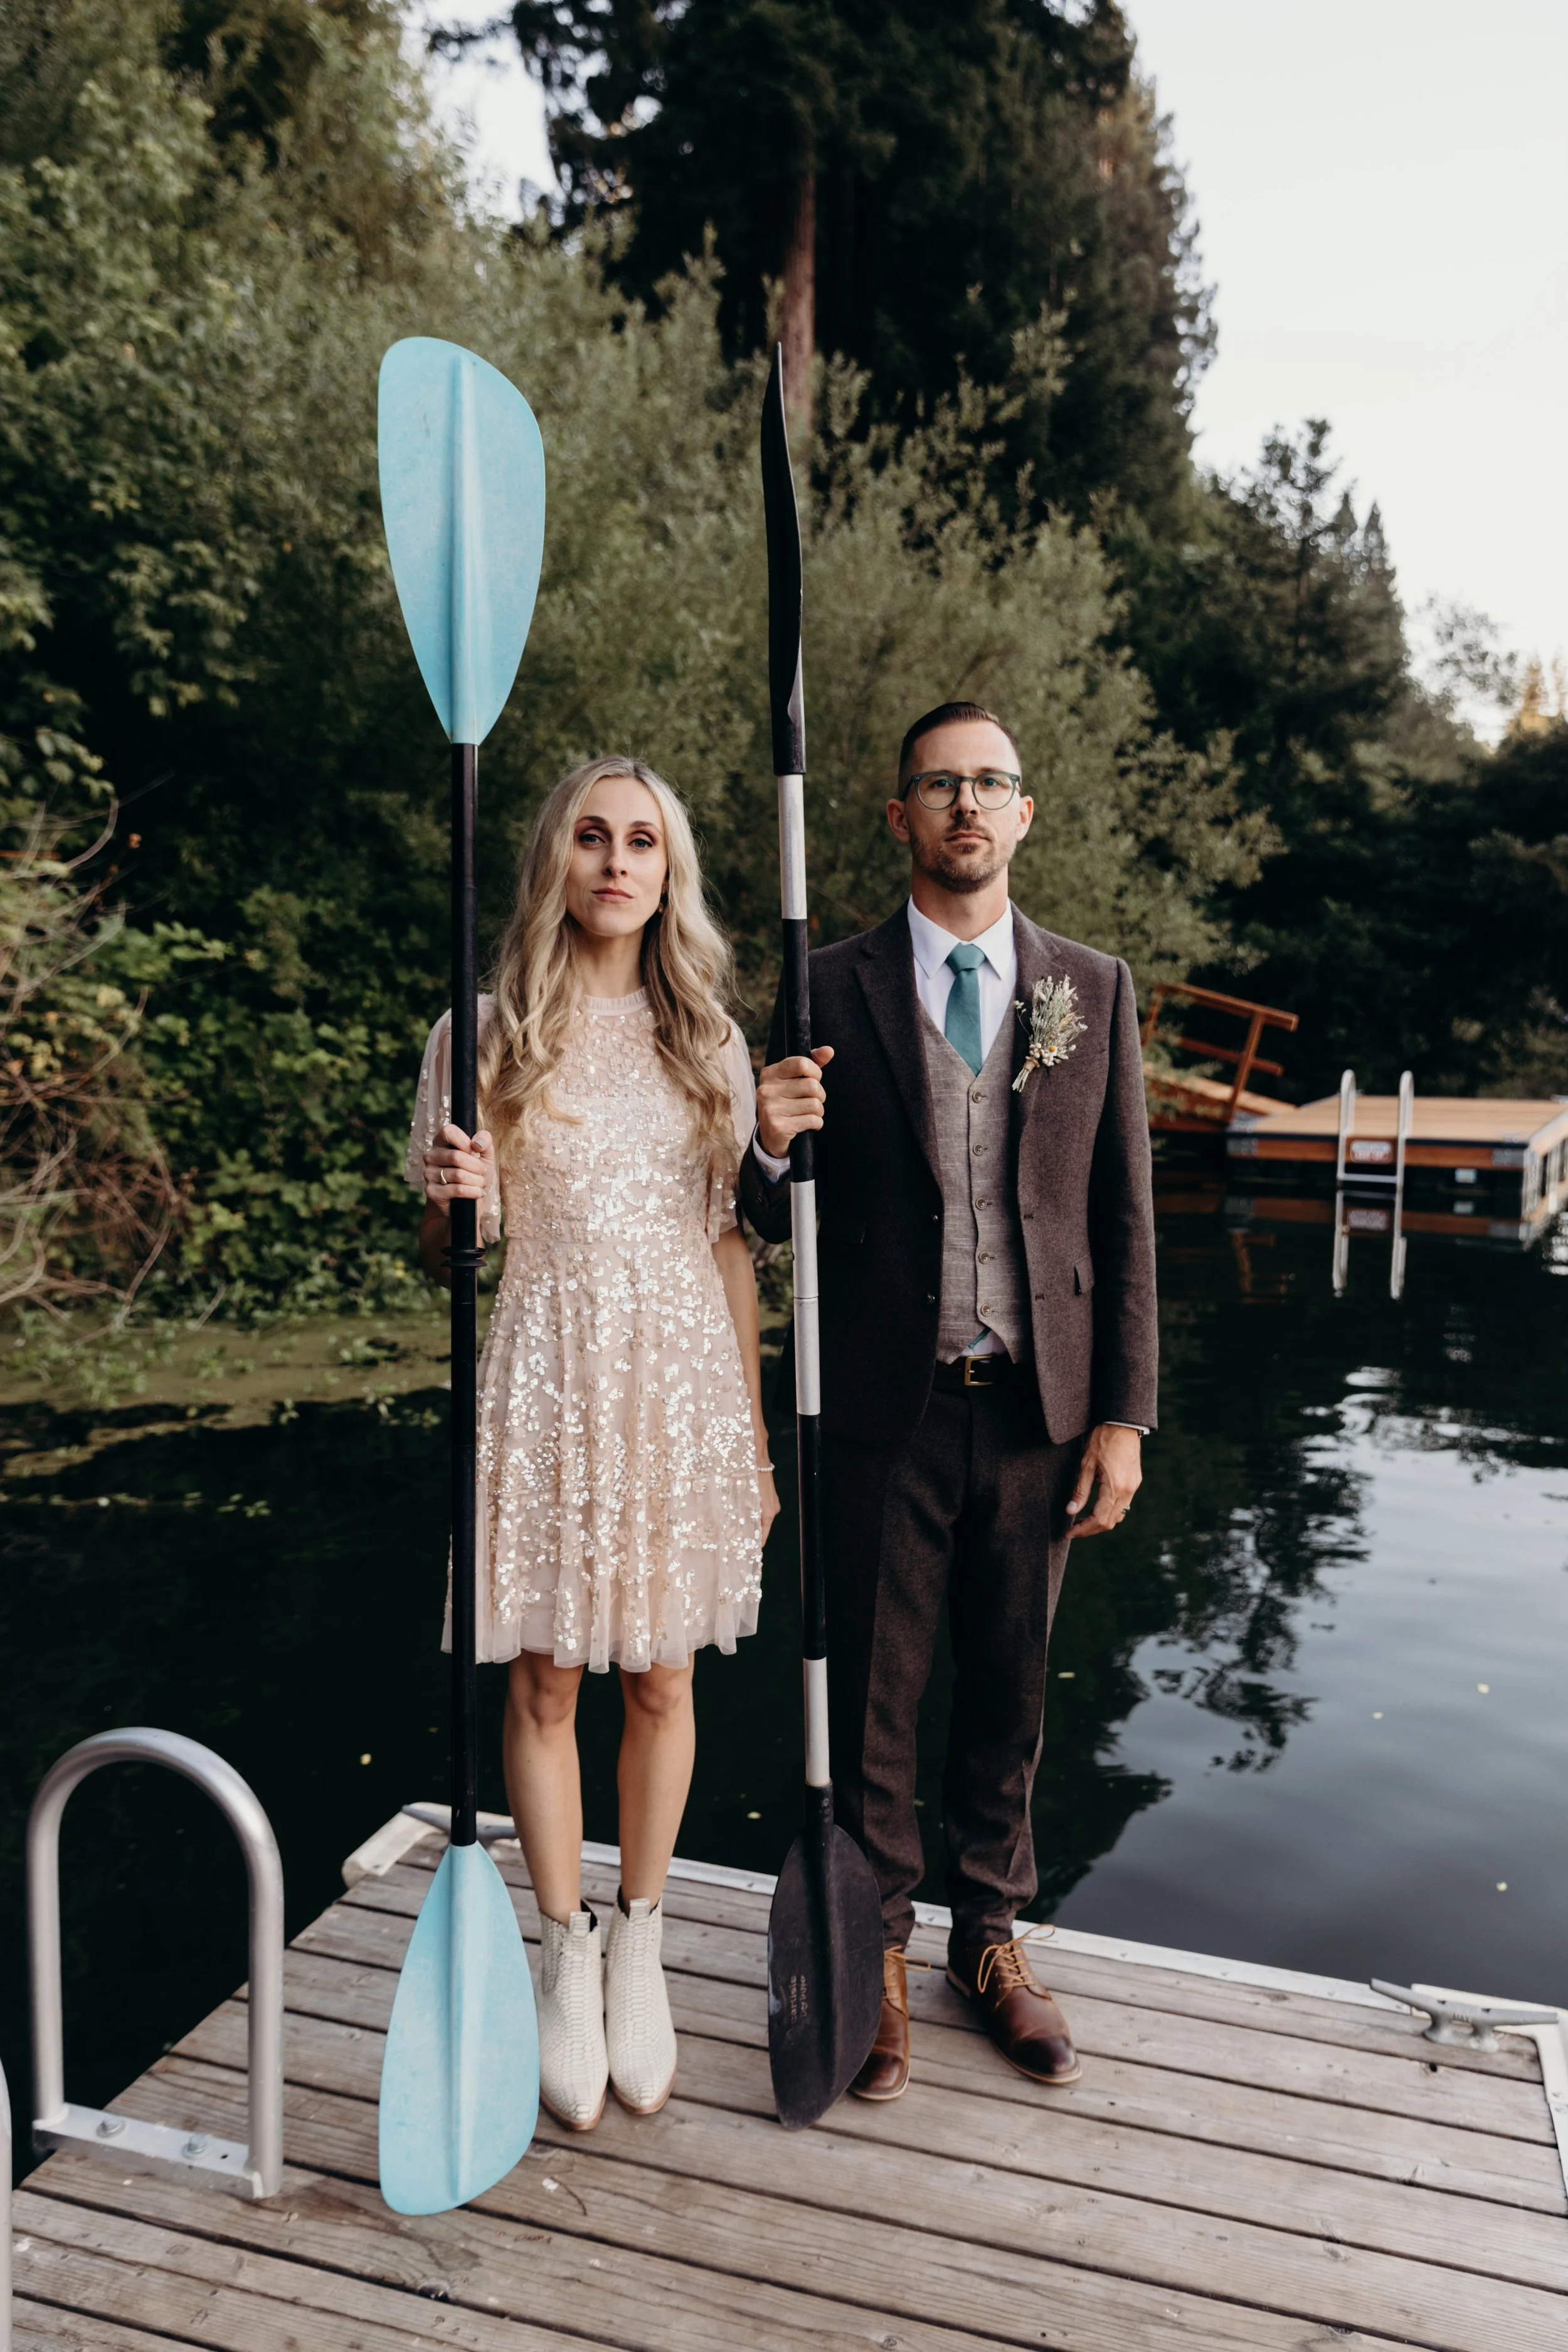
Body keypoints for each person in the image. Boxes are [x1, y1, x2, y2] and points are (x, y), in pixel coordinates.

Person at [739, 701, 1155, 2100]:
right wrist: (759, 1137)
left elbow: (1123, 1221)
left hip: (1039, 1408)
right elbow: (751, 1210)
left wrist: (1124, 1418)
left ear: (1024, 812)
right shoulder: (821, 986)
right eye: (938, 784)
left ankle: (990, 1939)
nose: (965, 806)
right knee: (869, 1701)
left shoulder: (1091, 988)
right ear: (897, 816)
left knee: (1010, 1691)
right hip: (876, 1407)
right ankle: (873, 1958)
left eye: (989, 784)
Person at [408, 755, 779, 2132]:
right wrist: (454, 1203)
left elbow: (733, 1252)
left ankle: (640, 1937)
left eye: (642, 841)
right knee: (551, 1679)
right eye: (590, 836)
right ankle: (560, 1953)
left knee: (666, 1680)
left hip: (677, 1380)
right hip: (549, 1374)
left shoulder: (714, 1049)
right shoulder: (482, 1030)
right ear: (553, 861)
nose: (616, 861)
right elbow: (450, 1249)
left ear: (668, 871)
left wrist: (748, 1438)